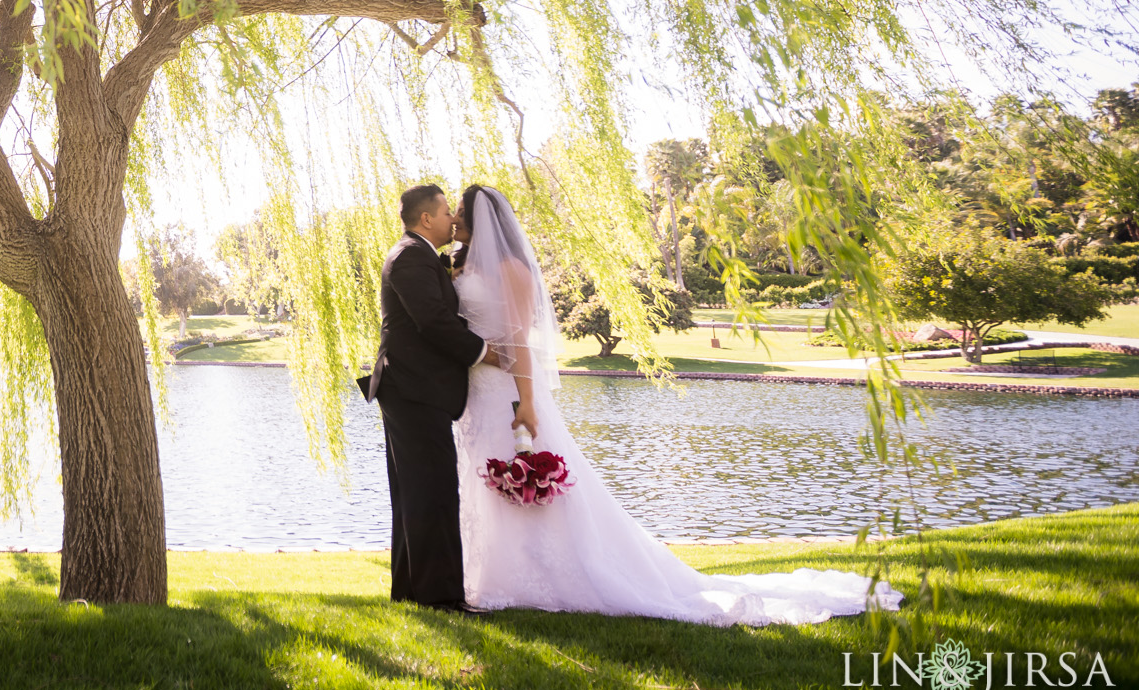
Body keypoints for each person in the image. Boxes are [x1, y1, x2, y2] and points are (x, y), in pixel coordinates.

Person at [450, 183, 903, 625]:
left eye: (460, 213)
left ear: (481, 219)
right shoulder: (462, 268)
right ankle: (492, 572)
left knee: (524, 479)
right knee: (482, 483)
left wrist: (527, 401)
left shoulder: (512, 269)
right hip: (475, 393)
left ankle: (542, 576)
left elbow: (520, 340)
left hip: (509, 393)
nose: (454, 219)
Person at [364, 183, 490, 611]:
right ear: (425, 219)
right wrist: (485, 352)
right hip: (413, 389)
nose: (452, 220)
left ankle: (412, 592)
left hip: (412, 389)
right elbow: (433, 322)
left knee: (417, 491)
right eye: (445, 212)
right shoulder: (410, 257)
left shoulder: (420, 257)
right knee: (432, 490)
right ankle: (440, 598)